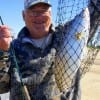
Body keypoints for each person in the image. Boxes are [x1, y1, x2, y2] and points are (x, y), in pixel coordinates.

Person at [0, 0, 97, 100]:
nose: (39, 16)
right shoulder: (11, 48)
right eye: (33, 11)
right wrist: (3, 52)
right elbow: (1, 88)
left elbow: (92, 15)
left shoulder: (66, 34)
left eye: (44, 10)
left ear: (50, 13)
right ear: (23, 15)